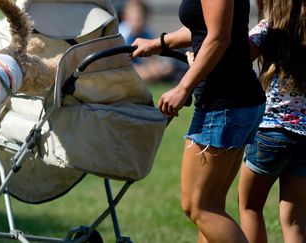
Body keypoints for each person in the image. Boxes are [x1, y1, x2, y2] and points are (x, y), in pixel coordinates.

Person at [131, 0, 266, 242]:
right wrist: (158, 44)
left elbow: (218, 37)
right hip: (233, 101)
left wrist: (183, 87)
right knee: (211, 205)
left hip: (224, 104)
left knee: (198, 206)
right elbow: (203, 26)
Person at [238, 0, 306, 242]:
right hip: (305, 138)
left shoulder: (269, 28)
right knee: (295, 220)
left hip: (270, 132)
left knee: (249, 207)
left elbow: (237, 57)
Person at [119, 0, 187, 83]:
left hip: (144, 67)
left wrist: (154, 68)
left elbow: (152, 57)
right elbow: (122, 61)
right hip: (128, 67)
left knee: (167, 68)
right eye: (135, 18)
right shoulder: (122, 33)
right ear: (126, 17)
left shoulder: (148, 31)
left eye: (141, 17)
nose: (138, 20)